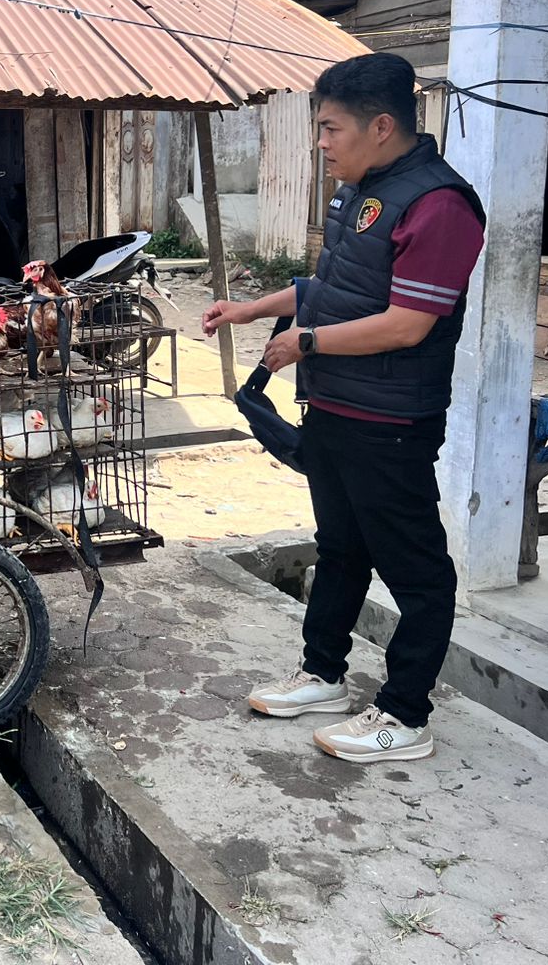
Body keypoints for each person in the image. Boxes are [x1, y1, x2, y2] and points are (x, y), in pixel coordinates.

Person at [203, 52, 486, 764]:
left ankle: (405, 715)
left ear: (381, 125)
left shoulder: (439, 205)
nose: (321, 143)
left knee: (417, 572)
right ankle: (323, 674)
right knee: (340, 549)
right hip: (334, 407)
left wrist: (307, 343)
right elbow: (330, 288)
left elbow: (407, 324)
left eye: (331, 129)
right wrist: (250, 309)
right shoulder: (361, 192)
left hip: (390, 421)